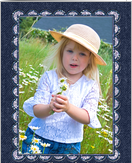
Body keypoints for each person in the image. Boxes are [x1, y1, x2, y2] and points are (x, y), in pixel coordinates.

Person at [22, 24, 106, 154]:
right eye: (70, 51)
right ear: (61, 52)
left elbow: (88, 117)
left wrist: (68, 108)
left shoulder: (90, 86)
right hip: (38, 137)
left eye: (82, 54)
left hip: (69, 145)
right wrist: (50, 107)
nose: (75, 57)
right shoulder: (49, 77)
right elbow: (37, 110)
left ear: (90, 60)